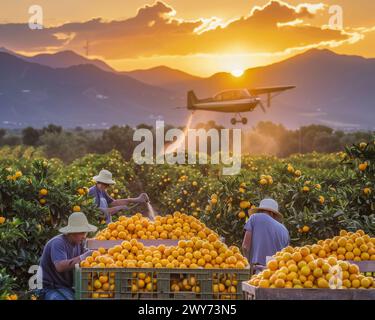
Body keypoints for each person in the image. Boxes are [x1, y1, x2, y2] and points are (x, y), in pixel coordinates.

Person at [39, 212, 97, 300]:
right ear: (72, 232)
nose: (84, 236)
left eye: (86, 233)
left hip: (67, 287)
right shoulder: (58, 243)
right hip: (51, 288)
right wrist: (83, 257)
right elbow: (60, 266)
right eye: (82, 233)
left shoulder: (79, 243)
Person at [242, 198, 289, 270]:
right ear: (273, 213)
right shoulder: (284, 229)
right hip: (277, 273)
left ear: (260, 210)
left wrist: (248, 265)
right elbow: (286, 255)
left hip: (258, 270)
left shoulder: (254, 218)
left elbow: (245, 247)